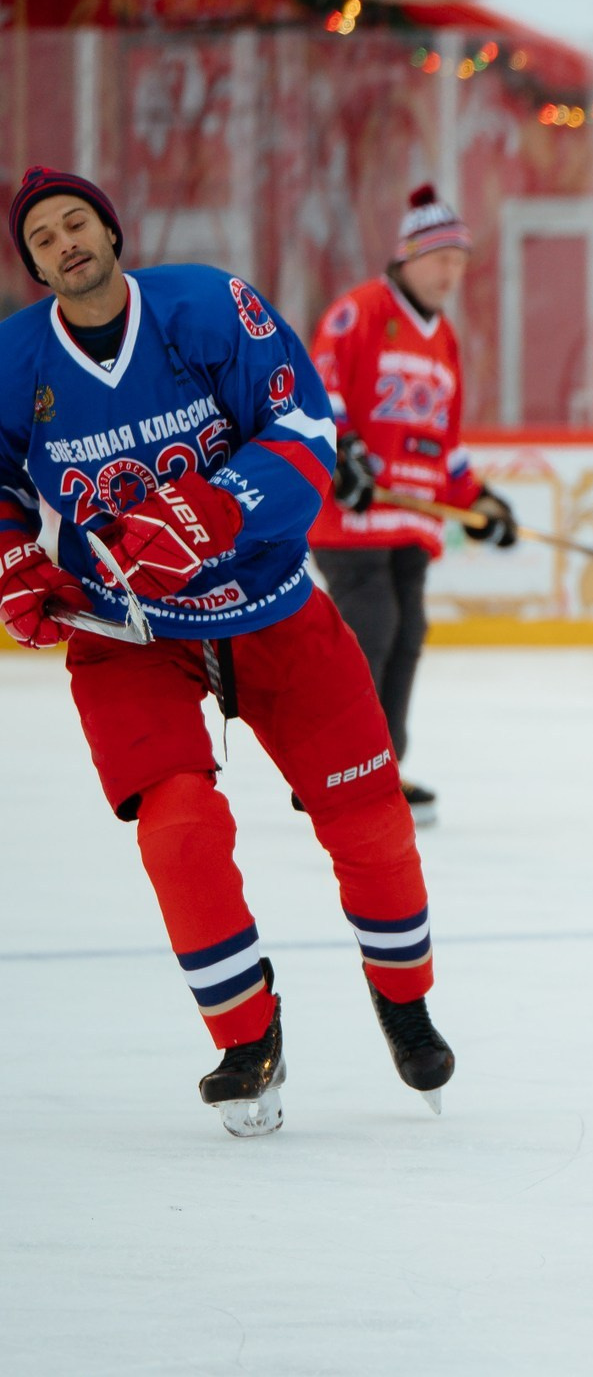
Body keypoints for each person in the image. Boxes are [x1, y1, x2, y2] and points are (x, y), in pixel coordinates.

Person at [0, 168, 453, 1135]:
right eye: (42, 238)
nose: (65, 242)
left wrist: (212, 508)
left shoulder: (209, 306)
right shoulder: (13, 362)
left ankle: (404, 1003)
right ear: (33, 265)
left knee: (371, 819)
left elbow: (302, 429)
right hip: (129, 633)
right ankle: (247, 1036)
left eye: (77, 222)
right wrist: (12, 561)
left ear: (111, 232)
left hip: (269, 601)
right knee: (177, 828)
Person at [307, 185, 518, 827]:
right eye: (440, 259)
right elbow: (321, 387)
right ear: (407, 259)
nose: (451, 272)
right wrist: (342, 454)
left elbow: (443, 443)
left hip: (412, 519)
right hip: (353, 517)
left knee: (407, 633)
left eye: (460, 260)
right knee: (371, 625)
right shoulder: (361, 312)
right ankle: (336, 770)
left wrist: (478, 499)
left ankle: (382, 767)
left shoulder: (445, 340)